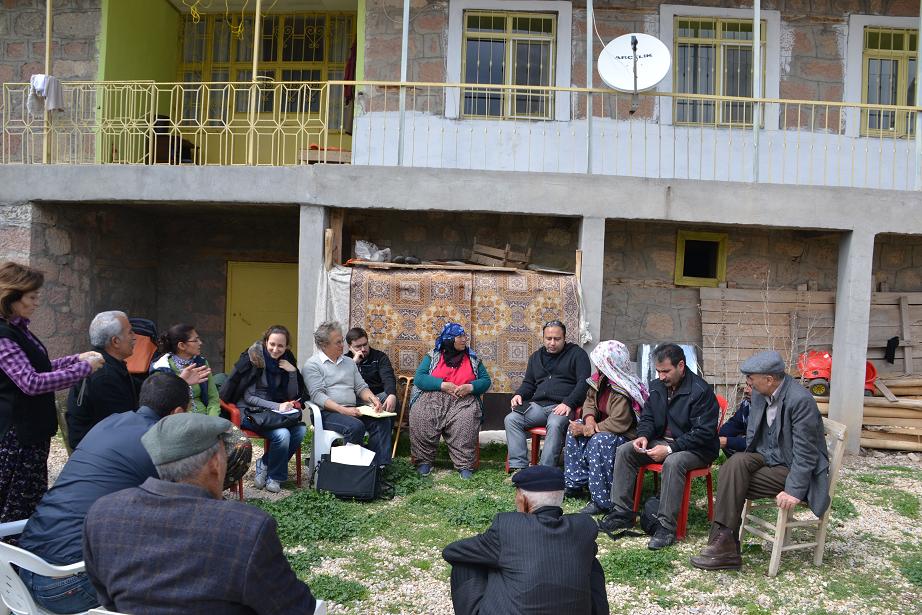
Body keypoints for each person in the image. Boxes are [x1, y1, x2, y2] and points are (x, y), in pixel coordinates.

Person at [82, 413, 318, 614]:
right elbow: (297, 609)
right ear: (215, 463)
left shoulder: (102, 514)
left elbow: (108, 600)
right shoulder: (246, 528)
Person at [17, 373, 189, 613]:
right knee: (182, 563)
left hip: (21, 568)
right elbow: (186, 509)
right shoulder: (160, 442)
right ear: (178, 413)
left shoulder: (109, 423)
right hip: (66, 584)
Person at [691, 350, 830, 571]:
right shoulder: (759, 394)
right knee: (733, 465)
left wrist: (794, 491)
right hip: (767, 457)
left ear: (769, 379)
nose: (748, 383)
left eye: (751, 378)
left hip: (792, 467)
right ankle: (725, 543)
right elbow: (752, 436)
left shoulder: (800, 401)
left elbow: (806, 454)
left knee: (731, 481)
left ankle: (724, 545)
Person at [0, 261, 104, 523]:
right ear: (11, 297)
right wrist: (83, 369)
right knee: (14, 509)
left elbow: (40, 367)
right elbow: (31, 382)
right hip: (17, 439)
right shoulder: (2, 336)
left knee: (29, 503)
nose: (37, 303)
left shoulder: (18, 329)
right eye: (32, 297)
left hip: (32, 435)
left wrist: (76, 359)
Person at [442, 465, 609, 615]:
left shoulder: (508, 526)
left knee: (467, 561)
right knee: (591, 562)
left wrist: (496, 567)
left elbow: (452, 551)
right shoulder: (584, 526)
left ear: (523, 500)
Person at [599, 343, 720, 550]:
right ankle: (622, 513)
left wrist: (670, 449)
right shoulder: (656, 386)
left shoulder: (700, 391)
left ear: (681, 366)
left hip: (697, 448)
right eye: (658, 371)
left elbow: (703, 433)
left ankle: (666, 527)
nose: (661, 376)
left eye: (666, 371)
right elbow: (647, 417)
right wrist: (643, 436)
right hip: (663, 442)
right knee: (626, 450)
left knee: (673, 461)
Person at [563, 340, 648, 515]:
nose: (597, 367)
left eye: (600, 363)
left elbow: (619, 422)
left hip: (625, 435)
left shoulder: (622, 389)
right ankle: (576, 484)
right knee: (574, 429)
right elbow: (589, 402)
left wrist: (589, 430)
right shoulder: (600, 380)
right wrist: (588, 421)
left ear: (611, 364)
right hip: (600, 427)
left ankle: (602, 500)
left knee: (600, 441)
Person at [221, 324, 308, 493]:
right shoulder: (255, 359)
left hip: (272, 413)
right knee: (282, 435)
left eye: (280, 346)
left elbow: (292, 394)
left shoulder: (286, 360)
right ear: (265, 342)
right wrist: (278, 406)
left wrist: (292, 372)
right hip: (250, 411)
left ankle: (266, 465)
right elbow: (249, 397)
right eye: (272, 344)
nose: (275, 349)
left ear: (287, 347)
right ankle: (275, 476)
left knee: (300, 431)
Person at [505, 320, 591, 470]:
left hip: (562, 406)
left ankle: (545, 470)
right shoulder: (535, 357)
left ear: (564, 338)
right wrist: (519, 394)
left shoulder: (577, 354)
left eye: (557, 339)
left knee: (555, 424)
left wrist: (569, 402)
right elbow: (529, 384)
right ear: (543, 338)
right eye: (548, 338)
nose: (552, 343)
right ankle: (519, 467)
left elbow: (584, 383)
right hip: (538, 406)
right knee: (511, 419)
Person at [303, 321, 392, 466]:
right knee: (355, 426)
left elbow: (361, 387)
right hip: (327, 413)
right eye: (337, 342)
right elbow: (318, 395)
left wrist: (373, 399)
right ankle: (351, 471)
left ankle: (378, 468)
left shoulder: (349, 362)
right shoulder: (312, 365)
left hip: (352, 409)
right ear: (324, 345)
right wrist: (343, 410)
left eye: (342, 340)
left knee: (381, 421)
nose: (342, 345)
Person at [410, 323, 491, 479]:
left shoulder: (473, 358)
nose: (464, 339)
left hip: (463, 401)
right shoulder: (433, 356)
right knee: (421, 415)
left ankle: (464, 465)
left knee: (466, 420)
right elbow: (419, 378)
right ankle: (424, 461)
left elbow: (486, 381)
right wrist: (442, 385)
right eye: (460, 336)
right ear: (449, 339)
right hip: (432, 399)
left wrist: (470, 387)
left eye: (464, 336)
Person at [64, 310, 138, 450]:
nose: (134, 337)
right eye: (130, 332)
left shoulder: (104, 362)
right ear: (115, 341)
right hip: (96, 451)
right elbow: (121, 426)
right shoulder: (104, 375)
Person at [150, 323, 219, 416]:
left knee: (230, 426)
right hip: (179, 420)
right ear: (182, 345)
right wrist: (180, 382)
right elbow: (160, 402)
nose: (200, 343)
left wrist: (212, 419)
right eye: (195, 340)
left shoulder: (201, 363)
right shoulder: (161, 368)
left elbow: (213, 398)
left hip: (205, 417)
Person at [345, 327, 398, 413]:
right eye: (358, 346)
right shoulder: (345, 360)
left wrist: (391, 394)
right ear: (350, 347)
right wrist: (354, 362)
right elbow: (340, 380)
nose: (363, 349)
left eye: (365, 344)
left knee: (390, 397)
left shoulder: (380, 357)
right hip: (354, 400)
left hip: (376, 396)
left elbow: (388, 377)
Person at [719, 382, 751, 456]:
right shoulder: (747, 404)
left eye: (751, 386)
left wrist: (727, 441)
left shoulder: (768, 410)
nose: (745, 390)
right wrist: (716, 435)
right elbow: (735, 424)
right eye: (747, 385)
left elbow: (759, 443)